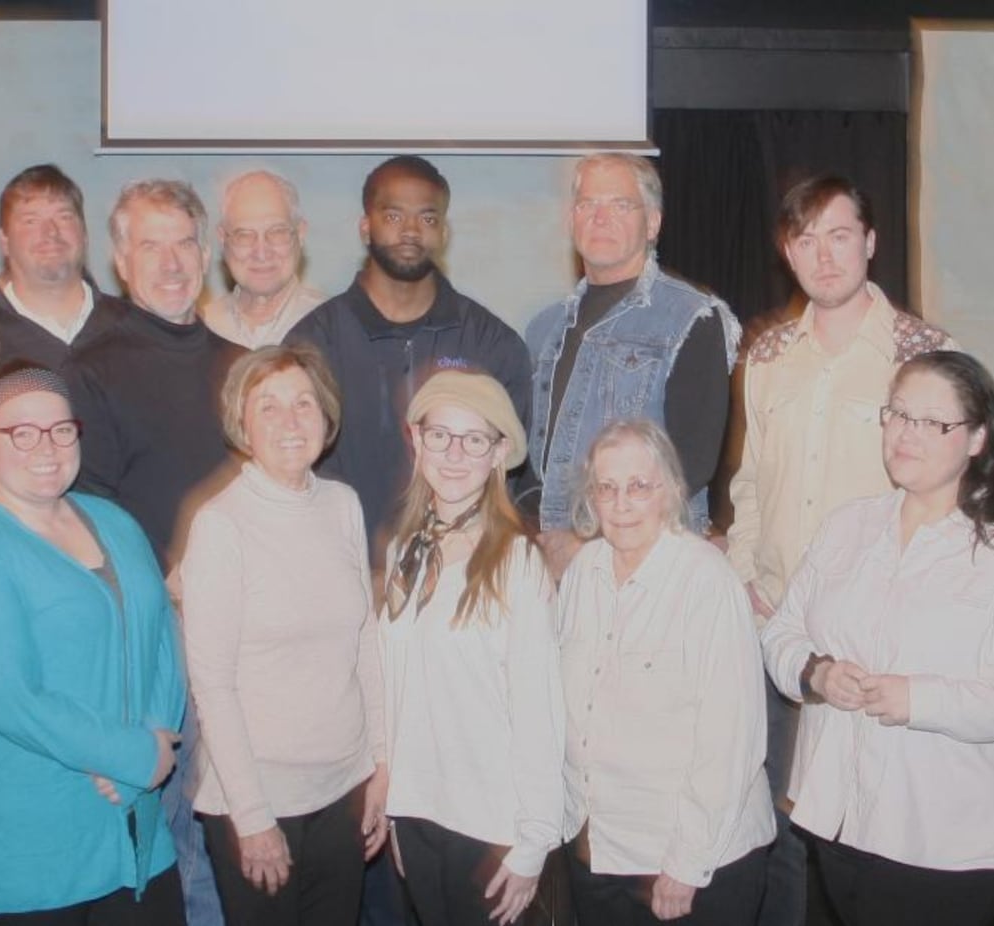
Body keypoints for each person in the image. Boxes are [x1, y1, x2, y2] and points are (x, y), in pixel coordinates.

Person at [761, 351, 994, 926]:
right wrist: (815, 673)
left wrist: (921, 699)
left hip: (950, 836)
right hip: (841, 814)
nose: (906, 434)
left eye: (933, 423)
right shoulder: (849, 526)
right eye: (898, 414)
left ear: (977, 438)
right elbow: (783, 631)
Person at [723, 174, 958, 926]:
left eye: (839, 234)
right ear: (786, 253)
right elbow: (751, 484)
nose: (822, 256)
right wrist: (743, 582)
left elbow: (951, 496)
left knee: (871, 834)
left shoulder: (926, 354)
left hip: (876, 640)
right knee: (782, 822)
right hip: (779, 627)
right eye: (804, 238)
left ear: (871, 241)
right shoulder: (765, 355)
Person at [0, 366, 187, 923]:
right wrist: (132, 754)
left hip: (132, 819)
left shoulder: (114, 521)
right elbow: (15, 701)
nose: (45, 447)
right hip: (30, 834)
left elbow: (163, 635)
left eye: (60, 430)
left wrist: (154, 735)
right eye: (20, 432)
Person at [69, 178, 239, 926]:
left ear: (204, 253)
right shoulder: (90, 367)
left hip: (241, 627)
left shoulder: (244, 366)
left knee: (236, 818)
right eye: (150, 245)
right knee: (173, 828)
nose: (169, 262)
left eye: (183, 243)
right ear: (118, 259)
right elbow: (86, 512)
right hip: (155, 632)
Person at [179, 345, 387, 926]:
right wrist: (252, 819)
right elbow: (213, 687)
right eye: (268, 407)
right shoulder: (221, 525)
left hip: (344, 789)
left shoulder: (342, 505)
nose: (290, 421)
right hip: (261, 801)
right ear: (241, 424)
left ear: (326, 415)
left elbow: (364, 644)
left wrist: (383, 764)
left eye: (303, 403)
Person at [559, 419, 774, 926]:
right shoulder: (582, 573)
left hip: (695, 863)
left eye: (639, 486)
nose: (622, 503)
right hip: (602, 848)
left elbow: (731, 739)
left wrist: (686, 863)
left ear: (671, 490)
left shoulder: (705, 581)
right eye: (606, 488)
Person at [379, 370, 564, 926]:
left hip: (491, 827)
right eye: (440, 435)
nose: (455, 453)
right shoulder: (403, 552)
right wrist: (394, 810)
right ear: (417, 442)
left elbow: (540, 712)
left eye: (474, 439)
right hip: (416, 816)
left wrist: (533, 843)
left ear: (499, 453)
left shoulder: (517, 562)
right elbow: (395, 691)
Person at [289, 155, 532, 566]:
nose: (411, 231)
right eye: (393, 215)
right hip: (337, 576)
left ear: (444, 232)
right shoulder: (311, 343)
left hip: (461, 579)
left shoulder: (493, 344)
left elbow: (512, 480)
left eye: (428, 218)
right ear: (366, 226)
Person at [525, 153, 740, 578]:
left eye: (620, 205)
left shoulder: (692, 318)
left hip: (648, 569)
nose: (600, 217)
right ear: (572, 219)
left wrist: (589, 545)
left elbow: (689, 466)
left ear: (653, 223)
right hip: (551, 569)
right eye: (588, 204)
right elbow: (529, 464)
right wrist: (538, 540)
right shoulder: (544, 329)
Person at [0, 164, 130, 371]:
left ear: (84, 234)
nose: (50, 232)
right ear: (4, 242)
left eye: (64, 217)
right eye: (30, 221)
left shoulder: (135, 328)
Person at [202, 170, 325, 348]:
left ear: (300, 233)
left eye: (277, 232)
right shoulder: (202, 327)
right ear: (222, 238)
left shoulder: (334, 325)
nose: (261, 253)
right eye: (244, 235)